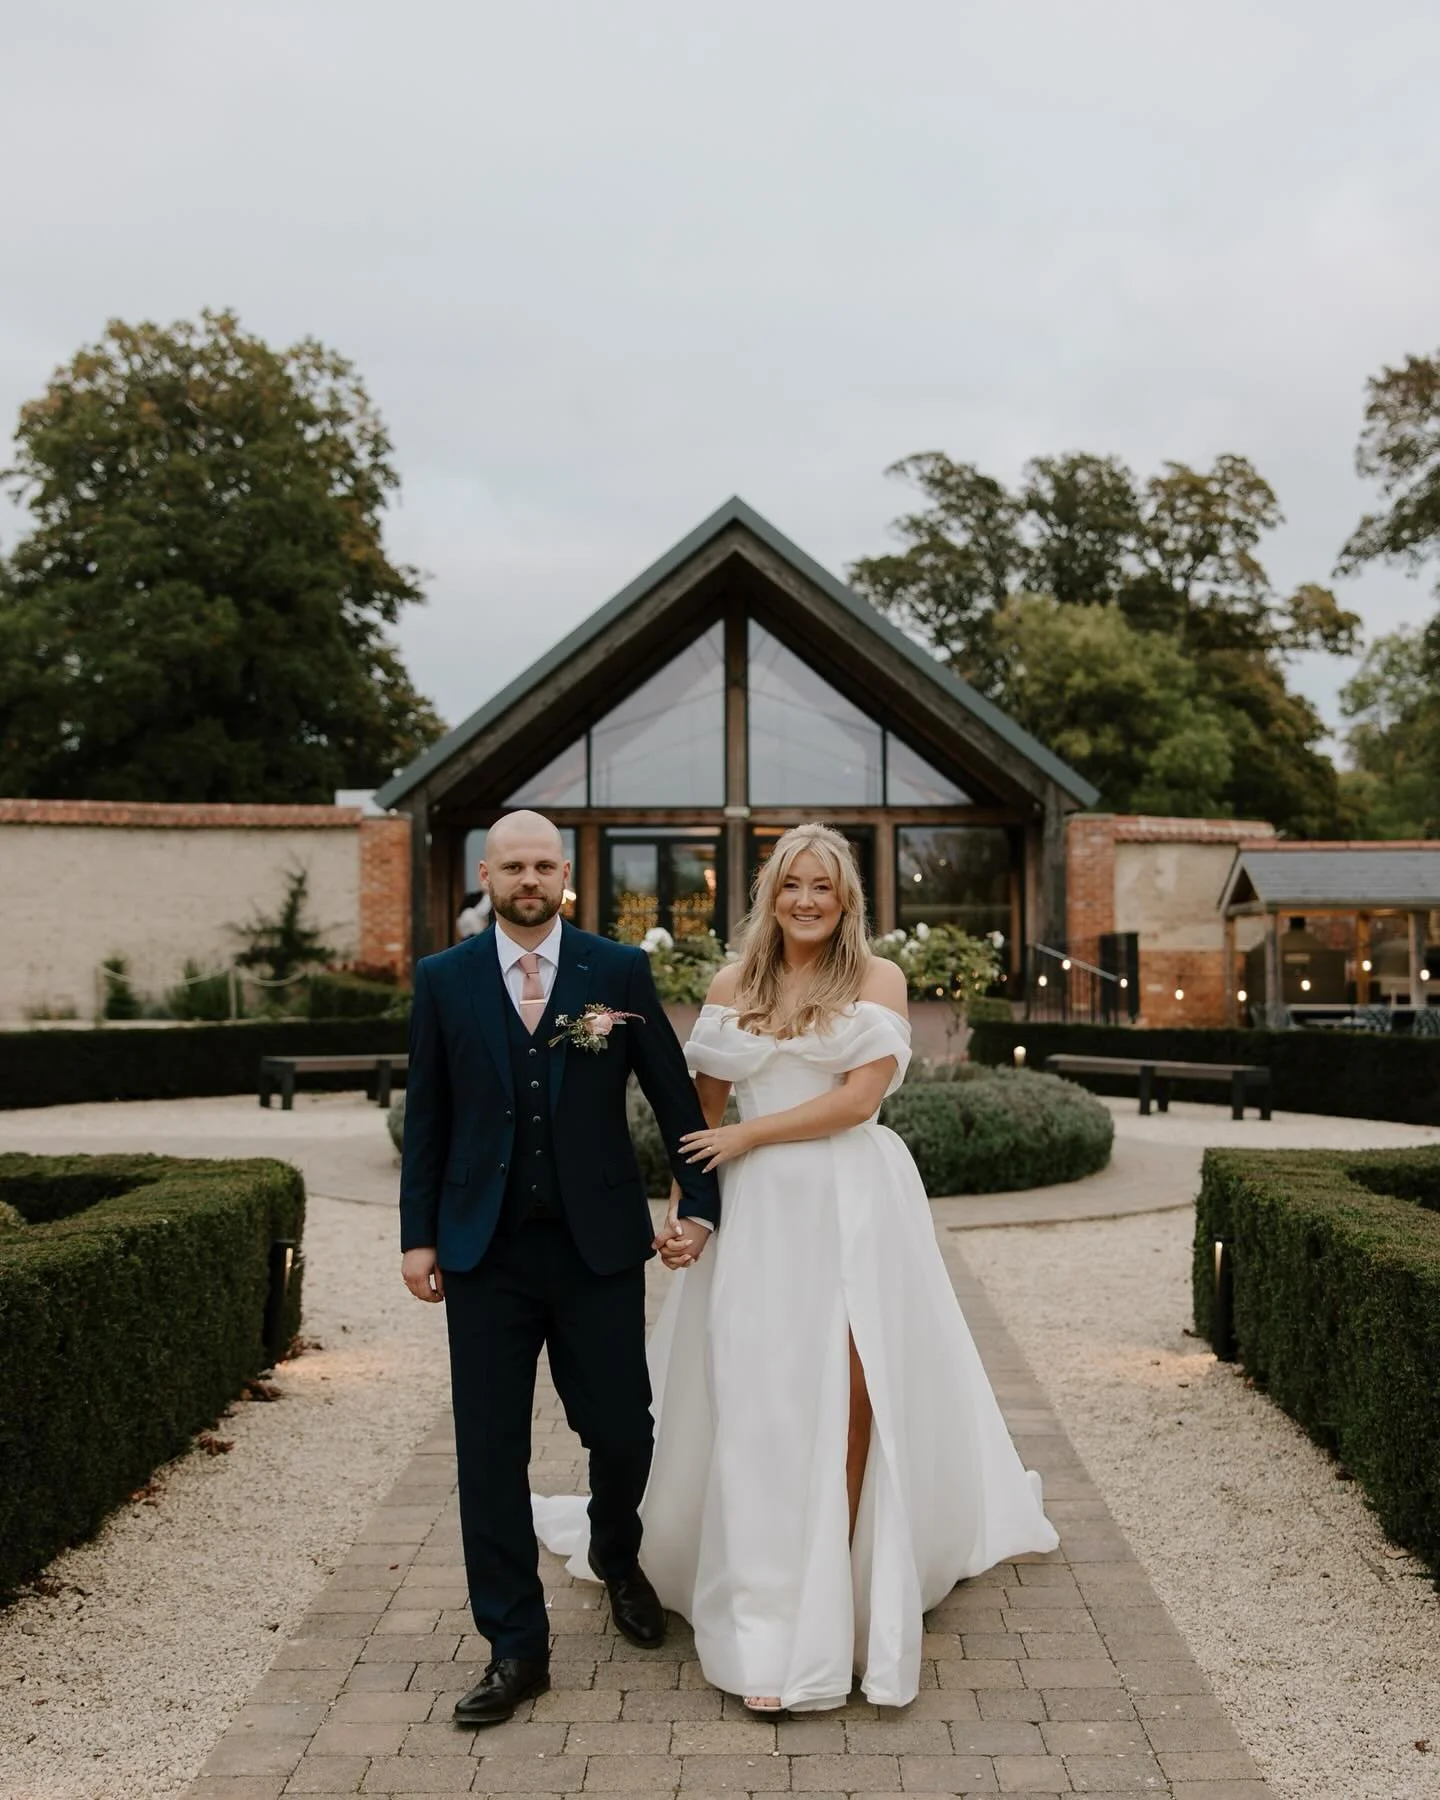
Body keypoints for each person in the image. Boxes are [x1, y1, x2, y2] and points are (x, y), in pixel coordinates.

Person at [535, 821, 1057, 1714]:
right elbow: (698, 1117)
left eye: (822, 886)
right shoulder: (732, 985)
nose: (806, 900)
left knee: (853, 1397)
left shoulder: (877, 979)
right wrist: (689, 1214)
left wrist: (749, 1136)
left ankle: (839, 1598)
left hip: (853, 1206)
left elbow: (857, 1101)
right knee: (761, 1406)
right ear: (768, 896)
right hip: (759, 1220)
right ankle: (765, 1616)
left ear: (846, 899)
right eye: (791, 885)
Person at [399, 810, 720, 1726]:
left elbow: (674, 1095)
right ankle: (515, 1646)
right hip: (484, 1252)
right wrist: (417, 1235)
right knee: (488, 1450)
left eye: (544, 865)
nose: (529, 880)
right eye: (514, 867)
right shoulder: (444, 978)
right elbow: (428, 1114)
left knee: (622, 1430)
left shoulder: (614, 970)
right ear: (486, 875)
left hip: (598, 1248)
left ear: (565, 873)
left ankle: (617, 1553)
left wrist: (699, 1206)